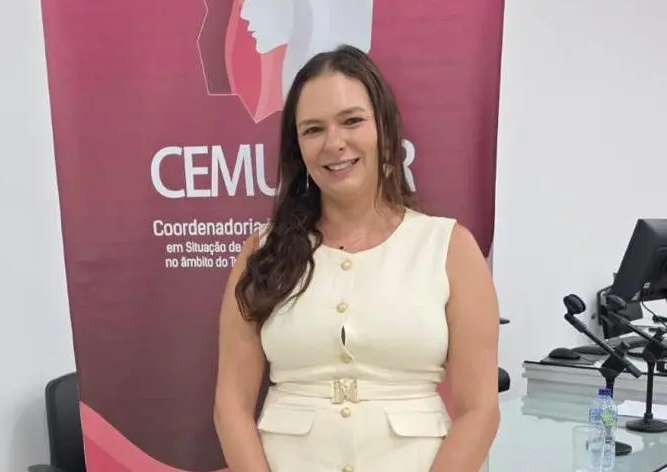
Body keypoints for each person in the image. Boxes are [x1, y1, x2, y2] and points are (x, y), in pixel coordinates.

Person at [213, 44, 500, 472]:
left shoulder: (449, 248)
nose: (335, 143)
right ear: (297, 146)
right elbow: (231, 407)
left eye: (352, 121)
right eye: (313, 129)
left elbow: (480, 410)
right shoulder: (262, 252)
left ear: (383, 127)